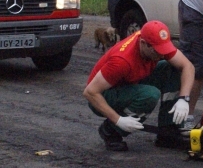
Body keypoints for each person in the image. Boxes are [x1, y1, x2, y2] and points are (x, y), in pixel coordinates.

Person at [84, 20, 195, 152]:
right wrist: (118, 120)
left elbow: (187, 66)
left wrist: (184, 98)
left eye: (163, 50)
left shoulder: (154, 42)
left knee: (173, 69)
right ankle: (111, 130)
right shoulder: (121, 61)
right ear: (143, 43)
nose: (161, 54)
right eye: (157, 51)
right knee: (149, 95)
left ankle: (167, 130)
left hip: (129, 82)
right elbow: (90, 92)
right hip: (104, 94)